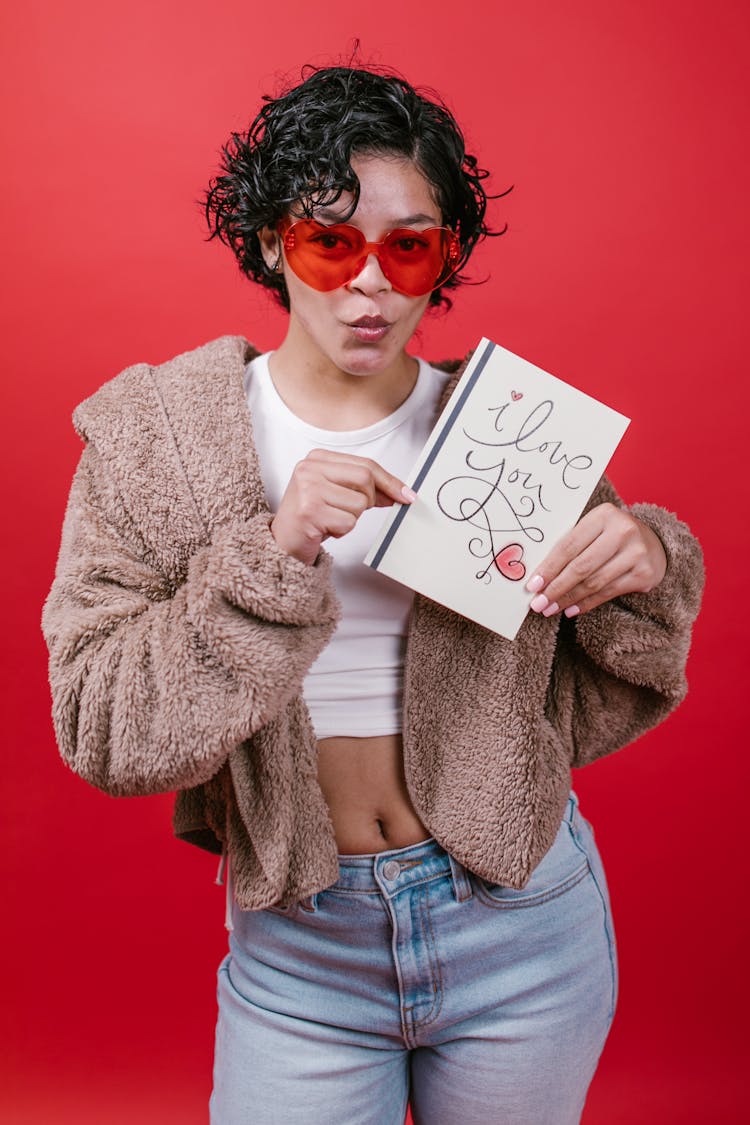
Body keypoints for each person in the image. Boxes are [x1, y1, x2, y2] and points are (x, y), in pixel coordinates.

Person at [42, 64, 704, 1125]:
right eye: (330, 241)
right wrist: (274, 549)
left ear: (444, 258)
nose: (371, 285)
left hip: (521, 917)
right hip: (304, 943)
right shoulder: (157, 440)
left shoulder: (508, 429)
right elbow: (104, 727)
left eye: (410, 247)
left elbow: (622, 659)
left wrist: (648, 557)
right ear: (269, 242)